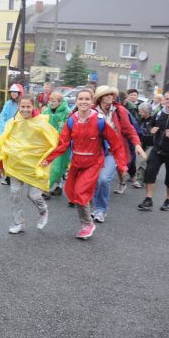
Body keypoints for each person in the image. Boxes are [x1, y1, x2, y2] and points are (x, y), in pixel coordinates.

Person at [43, 89, 127, 239]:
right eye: (80, 99)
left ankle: (87, 224)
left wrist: (122, 165)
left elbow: (116, 144)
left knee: (81, 193)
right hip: (76, 163)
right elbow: (63, 144)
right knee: (73, 193)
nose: (83, 102)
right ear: (76, 101)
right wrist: (48, 158)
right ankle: (86, 223)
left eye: (87, 99)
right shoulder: (71, 120)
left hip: (93, 163)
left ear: (92, 102)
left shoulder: (100, 120)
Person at [0, 95, 58, 234]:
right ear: (19, 107)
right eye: (23, 106)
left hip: (35, 166)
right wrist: (1, 164)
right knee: (14, 194)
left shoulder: (41, 123)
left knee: (33, 195)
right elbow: (5, 143)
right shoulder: (13, 122)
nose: (25, 109)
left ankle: (43, 210)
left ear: (33, 106)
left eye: (28, 106)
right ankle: (18, 223)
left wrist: (47, 160)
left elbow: (53, 141)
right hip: (16, 166)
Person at [91, 86, 145, 221]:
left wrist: (137, 144)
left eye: (111, 94)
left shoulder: (119, 110)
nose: (110, 97)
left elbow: (129, 130)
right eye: (107, 94)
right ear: (100, 97)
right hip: (94, 151)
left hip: (112, 151)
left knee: (104, 179)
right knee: (95, 181)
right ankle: (95, 207)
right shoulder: (91, 111)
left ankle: (100, 210)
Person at [137, 90, 169, 212]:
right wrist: (151, 129)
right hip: (157, 150)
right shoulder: (160, 113)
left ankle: (168, 201)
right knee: (150, 172)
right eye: (167, 99)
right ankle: (148, 200)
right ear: (164, 100)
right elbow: (150, 124)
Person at [41, 91, 71, 198]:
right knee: (50, 166)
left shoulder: (67, 112)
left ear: (60, 102)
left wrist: (55, 139)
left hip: (61, 143)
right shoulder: (46, 111)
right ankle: (58, 186)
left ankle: (46, 188)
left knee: (57, 167)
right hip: (48, 143)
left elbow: (63, 128)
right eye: (50, 101)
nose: (51, 103)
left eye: (54, 101)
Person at [0, 83, 24, 185]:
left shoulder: (22, 104)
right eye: (12, 92)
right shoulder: (8, 104)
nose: (13, 93)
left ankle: (17, 175)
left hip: (19, 133)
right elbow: (3, 117)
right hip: (9, 133)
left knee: (17, 155)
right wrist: (2, 131)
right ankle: (8, 176)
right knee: (7, 155)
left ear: (19, 93)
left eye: (15, 92)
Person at [132, 102, 154, 189]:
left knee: (143, 161)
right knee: (142, 162)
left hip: (152, 144)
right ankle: (145, 178)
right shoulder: (140, 120)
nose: (139, 113)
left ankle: (139, 181)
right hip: (142, 144)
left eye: (141, 111)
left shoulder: (153, 120)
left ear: (146, 112)